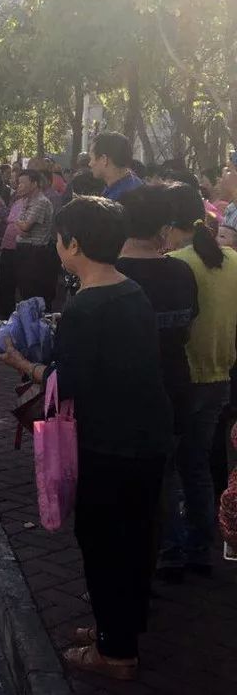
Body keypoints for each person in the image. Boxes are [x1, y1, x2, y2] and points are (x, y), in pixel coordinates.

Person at [0, 197, 171, 680]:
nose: (57, 246)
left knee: (103, 542)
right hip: (147, 437)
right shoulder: (132, 291)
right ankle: (117, 628)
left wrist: (23, 365)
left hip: (109, 444)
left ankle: (115, 654)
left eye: (59, 238)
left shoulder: (86, 306)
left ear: (73, 244)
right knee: (135, 541)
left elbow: (65, 381)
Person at [159, 183, 237, 581]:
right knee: (199, 465)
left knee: (169, 468)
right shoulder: (232, 260)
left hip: (184, 380)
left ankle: (171, 549)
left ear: (170, 225)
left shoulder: (174, 263)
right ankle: (199, 549)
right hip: (221, 378)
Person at [116, 185, 199, 470]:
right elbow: (188, 328)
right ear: (164, 227)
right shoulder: (181, 272)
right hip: (175, 389)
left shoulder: (110, 275)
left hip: (123, 404)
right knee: (166, 482)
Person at [10, 169, 59, 311]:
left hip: (35, 253)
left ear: (34, 184)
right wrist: (19, 225)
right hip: (24, 250)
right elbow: (17, 225)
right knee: (25, 291)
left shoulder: (41, 202)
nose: (19, 186)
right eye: (18, 183)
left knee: (34, 293)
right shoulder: (26, 201)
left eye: (22, 183)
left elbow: (24, 227)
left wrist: (19, 224)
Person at [90, 132, 144, 201]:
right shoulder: (135, 185)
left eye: (91, 158)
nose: (90, 164)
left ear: (104, 159)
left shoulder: (122, 199)